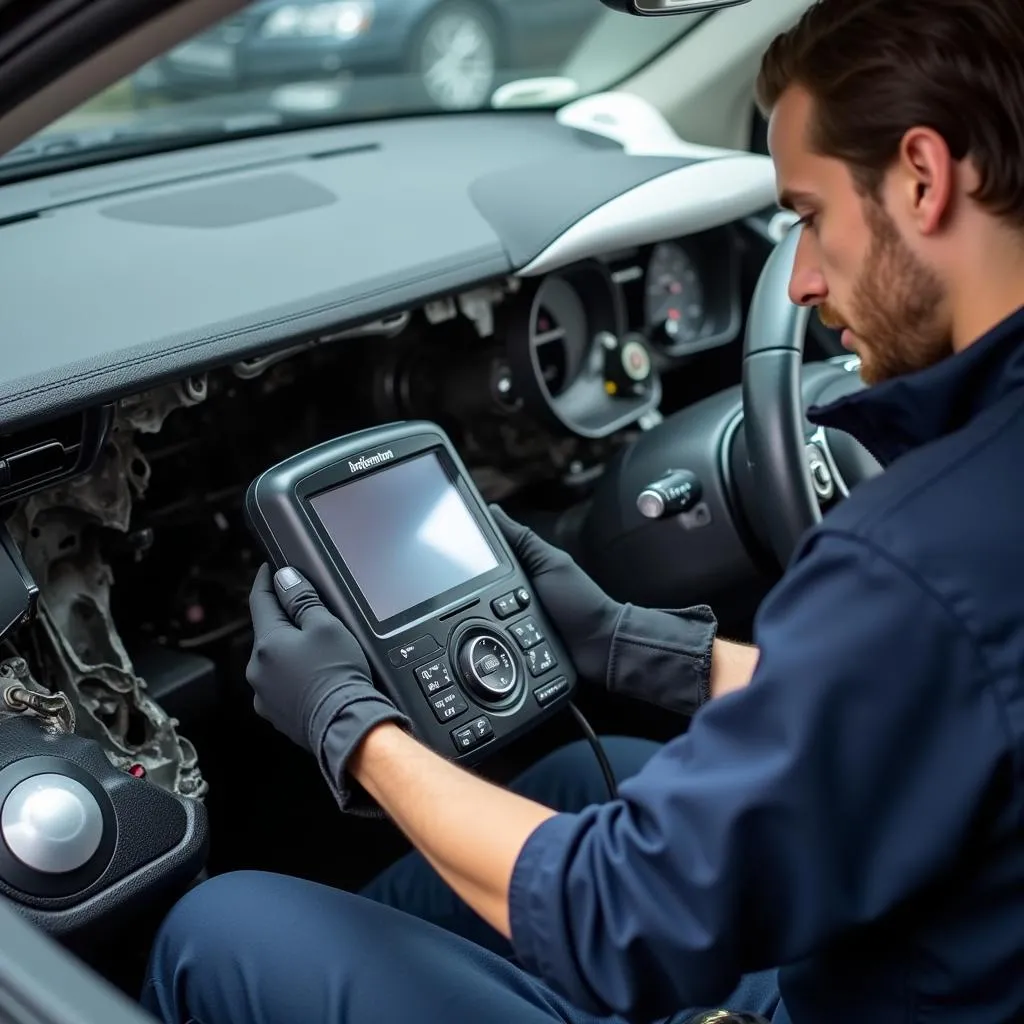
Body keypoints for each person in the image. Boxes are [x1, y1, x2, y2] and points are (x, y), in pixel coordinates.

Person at [142, 0, 1024, 1021]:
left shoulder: (913, 556)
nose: (809, 279)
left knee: (220, 929)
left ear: (922, 174)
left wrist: (354, 730)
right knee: (569, 775)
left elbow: (620, 919)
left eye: (811, 215)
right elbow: (920, 704)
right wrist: (628, 643)